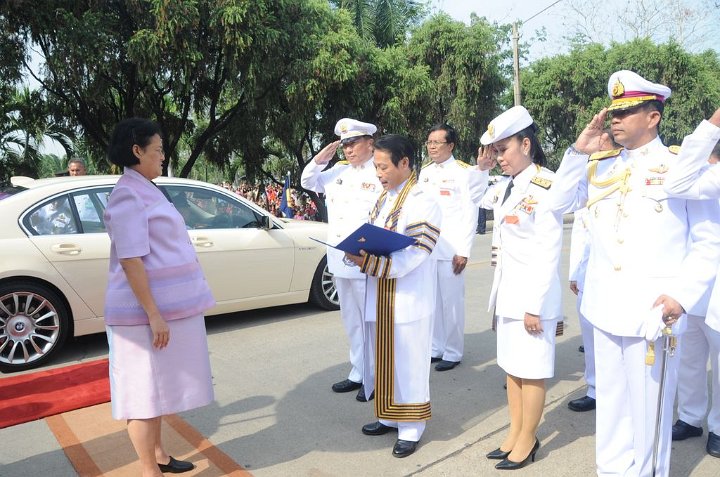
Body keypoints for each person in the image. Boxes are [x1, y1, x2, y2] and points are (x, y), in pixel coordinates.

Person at [547, 70, 720, 476]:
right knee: (610, 405)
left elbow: (707, 241)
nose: (615, 120)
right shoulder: (599, 165)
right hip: (604, 308)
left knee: (649, 412)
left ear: (653, 116)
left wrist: (682, 295)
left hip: (653, 313)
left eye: (627, 112)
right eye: (614, 113)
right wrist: (577, 151)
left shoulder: (682, 167)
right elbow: (555, 204)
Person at [103, 118, 215, 477]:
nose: (164, 156)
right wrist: (153, 314)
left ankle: (160, 456)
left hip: (160, 311)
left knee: (157, 390)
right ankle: (149, 470)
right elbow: (131, 259)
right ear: (137, 151)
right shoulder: (128, 194)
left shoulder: (145, 188)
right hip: (140, 317)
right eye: (159, 150)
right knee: (142, 396)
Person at [476, 106, 563, 470]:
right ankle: (515, 432)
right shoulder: (506, 186)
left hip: (532, 297)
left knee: (533, 369)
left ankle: (529, 438)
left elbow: (548, 251)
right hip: (508, 295)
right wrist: (482, 170)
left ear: (526, 144)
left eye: (503, 150)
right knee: (512, 368)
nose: (498, 158)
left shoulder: (547, 184)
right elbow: (474, 200)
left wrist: (535, 305)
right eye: (494, 152)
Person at [344, 134, 441, 458]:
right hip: (381, 295)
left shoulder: (423, 199)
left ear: (404, 163)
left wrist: (370, 261)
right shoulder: (384, 199)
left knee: (409, 363)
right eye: (376, 167)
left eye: (383, 166)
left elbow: (416, 252)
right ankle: (387, 416)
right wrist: (356, 251)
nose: (379, 173)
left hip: (408, 297)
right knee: (384, 359)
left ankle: (411, 428)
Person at [300, 118, 382, 402]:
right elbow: (307, 181)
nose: (348, 149)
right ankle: (358, 371)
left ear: (370, 143)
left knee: (369, 320)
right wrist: (321, 158)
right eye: (345, 144)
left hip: (365, 258)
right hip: (338, 257)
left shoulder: (380, 171)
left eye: (354, 142)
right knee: (351, 319)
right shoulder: (337, 172)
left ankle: (373, 377)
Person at [662, 108, 720, 459]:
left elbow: (677, 182)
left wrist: (711, 126)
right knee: (690, 357)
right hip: (693, 283)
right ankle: (691, 416)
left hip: (717, 284)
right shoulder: (699, 174)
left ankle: (718, 426)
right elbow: (676, 181)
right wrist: (711, 126)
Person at [420, 124, 488, 371]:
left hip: (451, 250)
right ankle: (436, 347)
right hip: (428, 248)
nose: (432, 147)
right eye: (429, 142)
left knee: (452, 303)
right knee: (433, 302)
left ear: (451, 145)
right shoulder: (425, 173)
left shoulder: (464, 172)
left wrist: (464, 250)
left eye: (437, 142)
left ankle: (453, 351)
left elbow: (470, 213)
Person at [567, 131, 619, 414]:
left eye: (600, 142)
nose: (594, 148)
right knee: (590, 336)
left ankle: (615, 390)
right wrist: (575, 272)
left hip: (618, 274)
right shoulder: (588, 177)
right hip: (589, 273)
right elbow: (579, 231)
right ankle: (595, 389)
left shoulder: (621, 175)